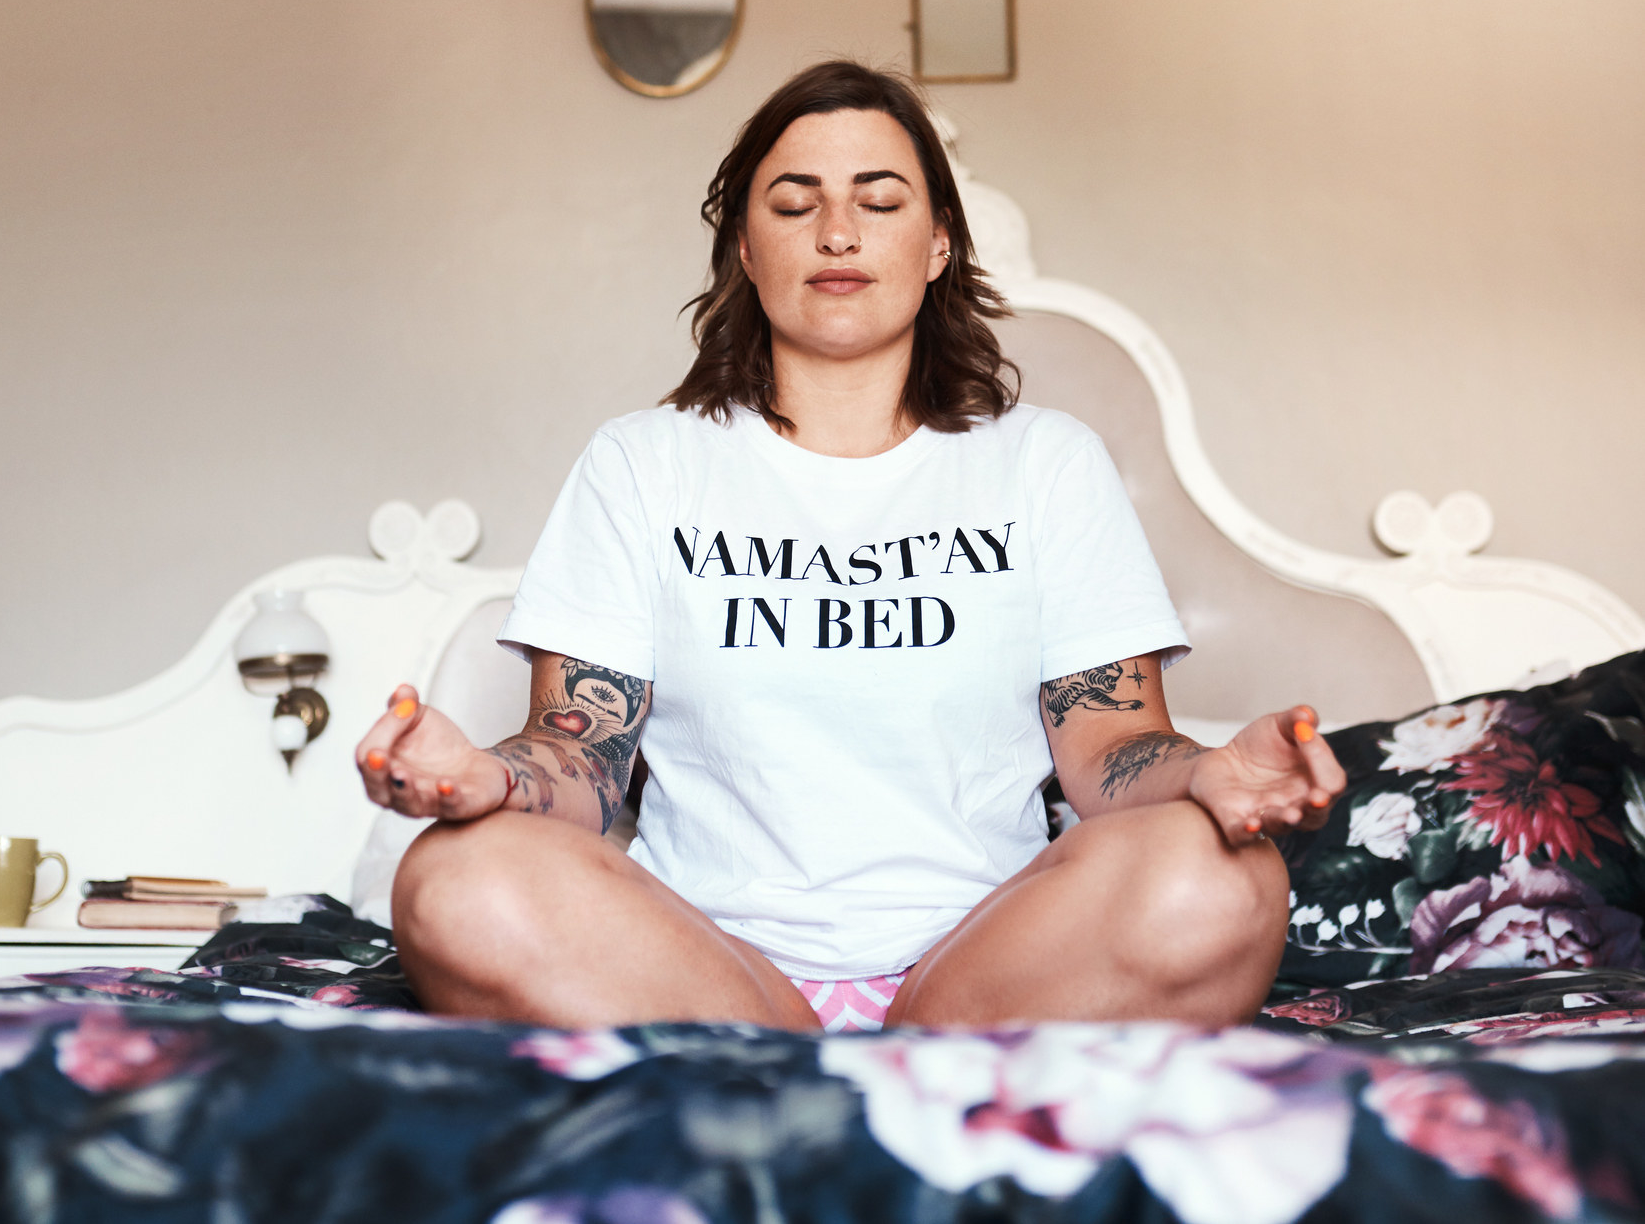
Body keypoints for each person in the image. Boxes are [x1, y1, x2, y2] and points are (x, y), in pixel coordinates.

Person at [352, 60, 1343, 1034]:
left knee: (1227, 875)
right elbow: (582, 746)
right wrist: (489, 780)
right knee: (451, 875)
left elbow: (1109, 748)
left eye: (878, 201)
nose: (835, 232)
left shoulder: (1045, 461)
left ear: (939, 244)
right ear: (744, 247)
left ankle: (877, 1057)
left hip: (995, 961)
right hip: (699, 962)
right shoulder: (641, 463)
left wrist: (1208, 772)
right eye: (792, 205)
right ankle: (814, 1062)